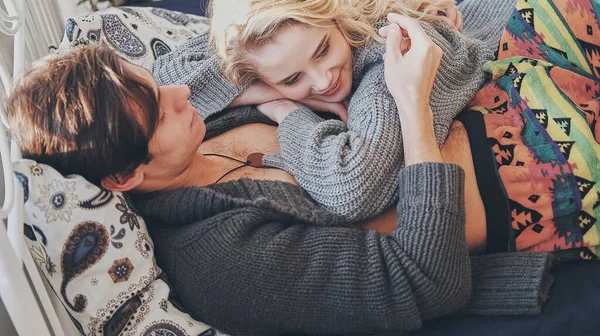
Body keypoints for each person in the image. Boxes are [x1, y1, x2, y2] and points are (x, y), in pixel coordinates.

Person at [7, 35, 553, 335]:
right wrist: (410, 105)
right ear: (124, 177)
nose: (179, 92)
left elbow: (240, 44)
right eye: (161, 109)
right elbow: (428, 282)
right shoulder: (220, 261)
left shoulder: (203, 128)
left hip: (498, 85)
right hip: (536, 173)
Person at [151, 0, 536, 227]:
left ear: (335, 14)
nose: (323, 82)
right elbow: (163, 79)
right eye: (291, 79)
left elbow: (354, 186)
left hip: (532, 11)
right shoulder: (285, 54)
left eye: (323, 50)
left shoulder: (390, 57)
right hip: (492, 7)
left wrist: (287, 109)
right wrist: (255, 92)